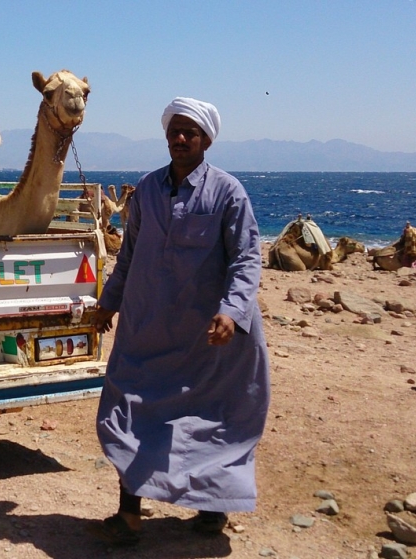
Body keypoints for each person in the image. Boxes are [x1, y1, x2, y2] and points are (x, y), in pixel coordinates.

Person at [88, 97, 270, 545]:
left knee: (211, 419)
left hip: (210, 339)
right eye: (175, 130)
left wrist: (231, 311)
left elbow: (247, 259)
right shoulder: (148, 190)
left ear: (207, 139)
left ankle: (212, 512)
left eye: (191, 132)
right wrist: (109, 302)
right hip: (147, 327)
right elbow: (128, 255)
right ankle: (129, 514)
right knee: (128, 409)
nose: (181, 138)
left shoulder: (228, 192)